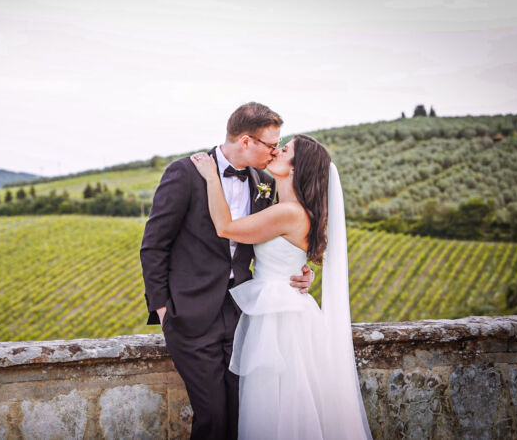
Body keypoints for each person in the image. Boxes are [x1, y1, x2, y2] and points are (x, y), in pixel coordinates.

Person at [140, 102, 314, 440]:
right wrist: (163, 310)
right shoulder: (185, 173)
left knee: (242, 413)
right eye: (271, 144)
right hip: (190, 316)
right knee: (212, 418)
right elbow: (153, 245)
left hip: (243, 314)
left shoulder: (263, 182)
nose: (275, 151)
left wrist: (302, 269)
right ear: (246, 142)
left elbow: (281, 235)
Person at [189, 134, 372, 439]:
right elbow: (294, 256)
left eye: (284, 149)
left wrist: (211, 177)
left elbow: (226, 228)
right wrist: (304, 274)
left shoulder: (289, 212)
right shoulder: (287, 207)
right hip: (287, 307)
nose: (276, 150)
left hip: (279, 318)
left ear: (296, 169)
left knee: (276, 406)